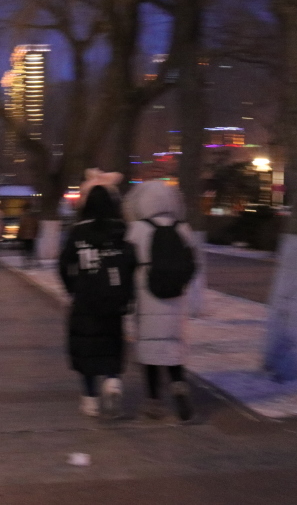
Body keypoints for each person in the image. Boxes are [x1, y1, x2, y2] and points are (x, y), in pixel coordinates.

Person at [124, 180, 200, 421]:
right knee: (172, 346)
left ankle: (154, 402)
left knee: (149, 349)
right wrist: (181, 283)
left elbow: (127, 263)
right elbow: (193, 263)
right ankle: (178, 386)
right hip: (176, 298)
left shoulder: (137, 229)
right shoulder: (182, 228)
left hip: (147, 296)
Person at [59, 181, 135, 419]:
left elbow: (63, 265)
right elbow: (131, 263)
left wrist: (74, 287)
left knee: (86, 350)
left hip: (85, 300)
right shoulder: (120, 231)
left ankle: (90, 400)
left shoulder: (78, 232)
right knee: (111, 346)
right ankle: (112, 382)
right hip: (113, 302)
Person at [17, 201, 39, 267]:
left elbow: (22, 225)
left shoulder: (23, 215)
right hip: (32, 235)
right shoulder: (33, 215)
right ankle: (32, 262)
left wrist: (18, 235)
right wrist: (36, 233)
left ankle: (26, 263)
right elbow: (36, 225)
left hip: (24, 235)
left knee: (25, 249)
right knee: (31, 249)